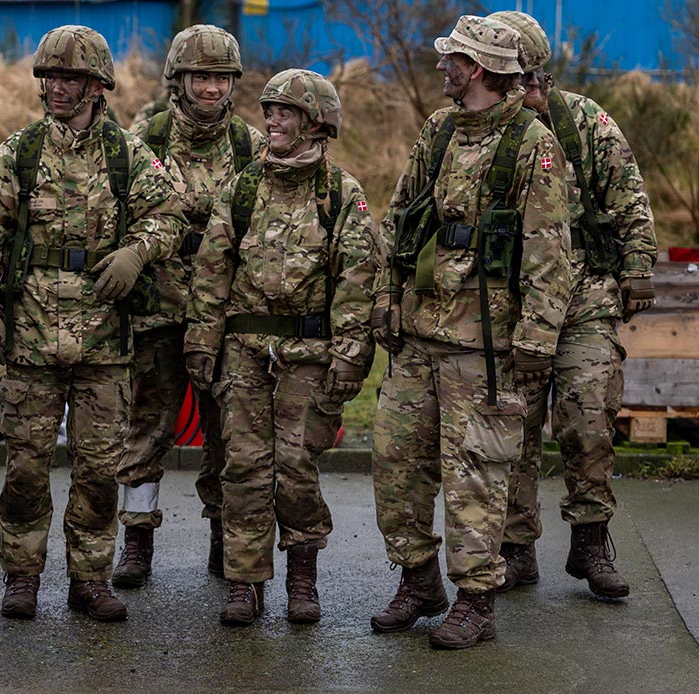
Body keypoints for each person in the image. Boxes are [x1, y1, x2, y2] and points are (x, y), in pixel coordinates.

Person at [369, 15, 572, 649]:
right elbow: (402, 216)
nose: (441, 67)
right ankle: (419, 580)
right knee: (393, 462)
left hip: (485, 346)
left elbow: (550, 254)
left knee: (475, 477)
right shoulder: (438, 130)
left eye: (452, 59)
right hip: (420, 334)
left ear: (479, 69)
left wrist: (536, 341)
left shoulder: (531, 143)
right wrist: (385, 293)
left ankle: (476, 600)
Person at [0, 25, 183, 622]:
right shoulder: (20, 153)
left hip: (105, 343)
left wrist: (138, 250)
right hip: (32, 339)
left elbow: (170, 213)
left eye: (70, 78)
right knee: (25, 468)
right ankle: (21, 575)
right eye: (50, 77)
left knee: (97, 472)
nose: (58, 88)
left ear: (97, 86)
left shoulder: (127, 155)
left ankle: (89, 577)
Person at [185, 69, 376, 626]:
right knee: (243, 467)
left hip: (309, 356)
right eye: (268, 111)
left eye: (284, 113)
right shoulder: (243, 188)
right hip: (244, 352)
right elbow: (211, 271)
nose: (271, 121)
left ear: (315, 122)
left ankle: (301, 576)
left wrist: (348, 358)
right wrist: (202, 341)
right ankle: (244, 582)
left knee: (295, 467)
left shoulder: (341, 194)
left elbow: (357, 283)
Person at [488, 10, 657, 599]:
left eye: (529, 78)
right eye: (513, 78)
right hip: (512, 301)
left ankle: (590, 544)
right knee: (513, 427)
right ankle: (515, 549)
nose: (524, 90)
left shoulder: (586, 122)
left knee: (589, 419)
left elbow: (630, 197)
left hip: (585, 296)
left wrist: (637, 269)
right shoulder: (484, 128)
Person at [114, 24, 266, 588]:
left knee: (229, 432)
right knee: (145, 427)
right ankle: (136, 538)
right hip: (157, 308)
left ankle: (224, 536)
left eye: (221, 77)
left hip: (226, 316)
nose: (210, 88)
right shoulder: (144, 139)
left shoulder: (252, 146)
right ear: (178, 79)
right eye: (200, 76)